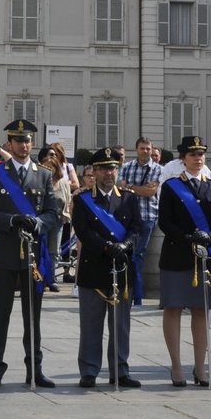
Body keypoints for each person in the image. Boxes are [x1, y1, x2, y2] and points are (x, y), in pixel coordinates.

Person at [0, 119, 61, 388]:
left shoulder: (44, 174)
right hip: (5, 253)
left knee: (33, 317)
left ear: (32, 143)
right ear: (10, 144)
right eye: (18, 140)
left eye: (27, 140)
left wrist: (39, 223)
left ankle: (34, 369)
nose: (23, 145)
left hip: (33, 257)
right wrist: (12, 221)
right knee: (1, 315)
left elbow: (53, 212)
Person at [156, 135, 211, 387]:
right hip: (177, 255)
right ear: (183, 159)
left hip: (204, 258)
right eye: (193, 155)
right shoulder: (172, 186)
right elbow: (164, 221)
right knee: (173, 308)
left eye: (201, 154)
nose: (198, 159)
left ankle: (199, 367)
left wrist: (209, 237)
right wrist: (189, 238)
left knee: (200, 311)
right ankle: (176, 366)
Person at [71, 147, 142, 389]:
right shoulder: (82, 200)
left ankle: (120, 370)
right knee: (91, 323)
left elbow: (137, 228)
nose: (109, 173)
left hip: (121, 266)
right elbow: (83, 230)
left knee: (121, 325)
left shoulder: (129, 197)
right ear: (94, 171)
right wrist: (106, 246)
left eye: (112, 168)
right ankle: (89, 371)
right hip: (94, 266)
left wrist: (125, 245)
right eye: (103, 168)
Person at [118, 137, 162, 276]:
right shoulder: (126, 167)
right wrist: (139, 188)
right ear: (136, 149)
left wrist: (129, 186)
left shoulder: (159, 169)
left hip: (147, 215)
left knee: (139, 253)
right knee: (124, 250)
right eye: (142, 148)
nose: (145, 151)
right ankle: (126, 284)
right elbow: (119, 189)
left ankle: (135, 288)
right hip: (127, 217)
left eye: (148, 149)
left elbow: (150, 192)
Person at [42, 144, 73, 292]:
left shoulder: (63, 183)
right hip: (41, 221)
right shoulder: (39, 181)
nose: (49, 170)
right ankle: (39, 277)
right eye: (46, 167)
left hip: (57, 221)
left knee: (53, 251)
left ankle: (51, 278)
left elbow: (67, 202)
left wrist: (66, 216)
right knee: (40, 249)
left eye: (51, 167)